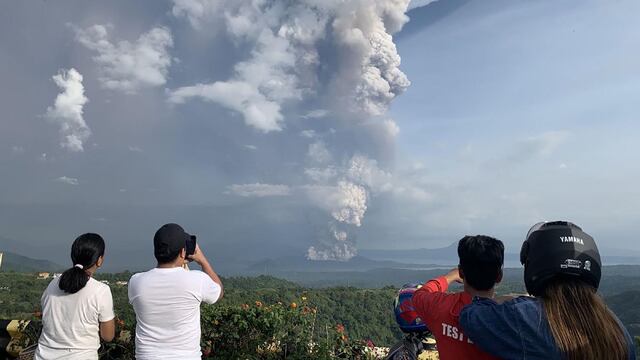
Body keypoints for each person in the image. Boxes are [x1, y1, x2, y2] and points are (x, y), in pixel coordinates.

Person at [460, 221, 636, 360]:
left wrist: (510, 299)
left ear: (535, 261)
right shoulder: (615, 327)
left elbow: (471, 317)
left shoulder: (527, 317)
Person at [128, 223, 223, 360]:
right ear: (183, 252)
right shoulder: (197, 280)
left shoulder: (136, 282)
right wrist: (202, 260)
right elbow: (218, 293)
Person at [412, 235, 504, 360]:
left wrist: (450, 277)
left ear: (461, 272)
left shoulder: (440, 307)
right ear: (499, 276)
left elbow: (419, 294)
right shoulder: (510, 319)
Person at [35, 233, 115, 360]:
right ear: (99, 260)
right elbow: (108, 336)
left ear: (73, 256)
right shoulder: (101, 290)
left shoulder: (53, 284)